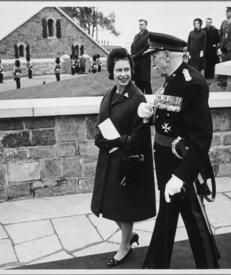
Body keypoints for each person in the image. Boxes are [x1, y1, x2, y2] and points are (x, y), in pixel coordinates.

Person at [139, 32, 220, 269]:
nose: (152, 63)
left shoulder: (191, 82)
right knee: (166, 216)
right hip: (166, 164)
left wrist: (181, 176)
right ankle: (155, 265)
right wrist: (150, 116)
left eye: (154, 57)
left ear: (165, 55)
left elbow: (201, 138)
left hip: (182, 167)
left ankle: (209, 267)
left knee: (195, 220)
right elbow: (172, 120)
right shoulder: (170, 79)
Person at [91, 47, 156, 267]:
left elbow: (138, 138)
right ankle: (129, 237)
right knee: (110, 205)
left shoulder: (138, 98)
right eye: (119, 69)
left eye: (126, 69)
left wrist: (113, 142)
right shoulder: (109, 94)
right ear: (112, 71)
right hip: (110, 159)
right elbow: (102, 121)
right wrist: (99, 137)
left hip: (127, 162)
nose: (123, 74)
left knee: (124, 208)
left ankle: (125, 246)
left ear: (132, 70)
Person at [131, 19, 152, 94]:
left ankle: (150, 100)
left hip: (144, 62)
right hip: (136, 63)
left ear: (146, 25)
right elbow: (133, 46)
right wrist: (132, 55)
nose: (140, 26)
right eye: (139, 24)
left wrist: (135, 55)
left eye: (142, 24)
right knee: (138, 82)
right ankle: (139, 99)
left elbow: (146, 47)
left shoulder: (149, 35)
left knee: (146, 82)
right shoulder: (136, 36)